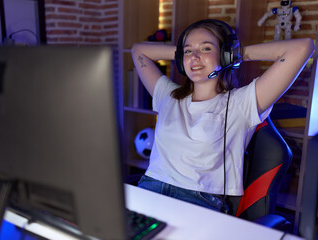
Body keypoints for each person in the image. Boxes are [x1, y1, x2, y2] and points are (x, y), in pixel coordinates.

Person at [131, 19, 314, 212]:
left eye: (205, 49)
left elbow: (303, 47)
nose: (194, 57)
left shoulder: (242, 103)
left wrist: (235, 54)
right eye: (188, 51)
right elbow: (138, 51)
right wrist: (181, 55)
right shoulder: (167, 95)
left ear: (225, 54)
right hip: (149, 190)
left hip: (197, 202)